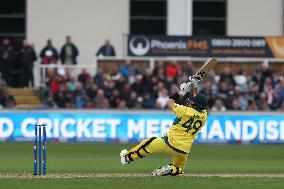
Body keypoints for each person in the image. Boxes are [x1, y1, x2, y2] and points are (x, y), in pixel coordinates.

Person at [120, 78, 208, 176]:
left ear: (195, 105)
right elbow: (198, 99)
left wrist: (181, 92)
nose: (189, 101)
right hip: (184, 150)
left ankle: (126, 158)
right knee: (179, 169)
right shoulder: (204, 115)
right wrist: (194, 85)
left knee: (148, 144)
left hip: (169, 143)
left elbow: (169, 102)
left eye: (192, 102)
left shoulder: (185, 111)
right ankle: (172, 169)